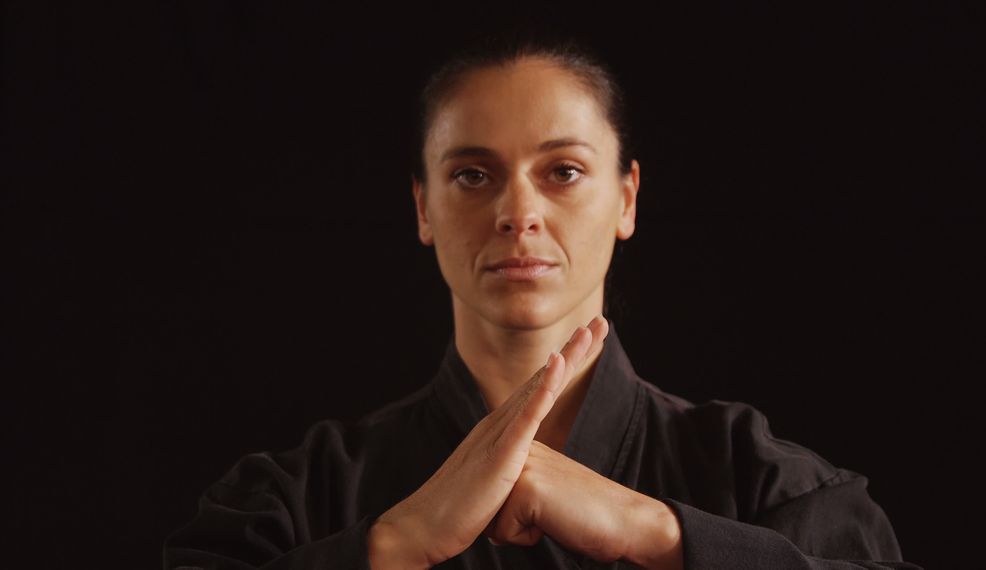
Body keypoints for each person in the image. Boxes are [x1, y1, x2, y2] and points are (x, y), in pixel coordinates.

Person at [163, 32, 920, 570]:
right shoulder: (295, 498)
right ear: (422, 208)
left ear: (626, 199)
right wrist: (393, 546)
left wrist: (654, 532)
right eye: (471, 174)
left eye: (562, 171)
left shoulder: (766, 484)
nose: (516, 212)